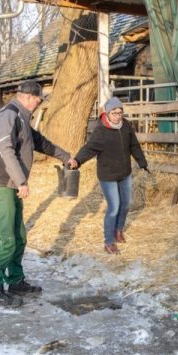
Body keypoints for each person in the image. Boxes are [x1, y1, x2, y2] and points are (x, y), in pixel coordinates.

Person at [0, 79, 70, 307]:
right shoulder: (8, 115)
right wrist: (21, 180)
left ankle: (16, 281)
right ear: (29, 97)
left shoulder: (22, 119)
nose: (39, 104)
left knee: (19, 237)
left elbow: (41, 143)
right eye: (39, 100)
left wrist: (66, 156)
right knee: (5, 239)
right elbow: (5, 149)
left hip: (11, 186)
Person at [68, 97, 149, 255]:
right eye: (115, 113)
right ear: (107, 113)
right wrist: (77, 160)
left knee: (126, 204)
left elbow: (134, 145)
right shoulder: (101, 131)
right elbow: (89, 148)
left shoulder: (125, 126)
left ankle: (118, 230)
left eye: (120, 112)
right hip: (108, 175)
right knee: (114, 207)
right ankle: (108, 242)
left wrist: (142, 162)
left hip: (124, 173)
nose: (118, 116)